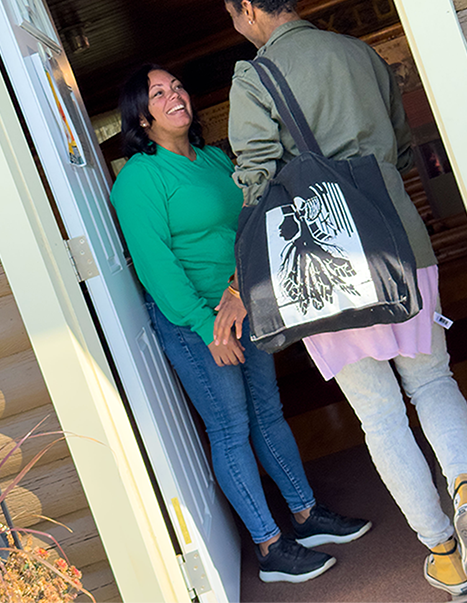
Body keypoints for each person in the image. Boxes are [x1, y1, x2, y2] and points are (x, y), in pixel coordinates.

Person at [214, 0, 467, 595]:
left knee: (379, 416)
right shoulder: (362, 56)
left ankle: (441, 548)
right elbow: (403, 151)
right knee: (433, 382)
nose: (237, 26)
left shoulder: (255, 79)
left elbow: (257, 187)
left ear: (251, 8)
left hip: (324, 270)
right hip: (400, 244)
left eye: (235, 14)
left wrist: (241, 278)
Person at [109, 63, 371, 584]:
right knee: (231, 429)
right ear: (141, 117)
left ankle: (305, 514)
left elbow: (250, 224)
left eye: (178, 86)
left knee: (269, 413)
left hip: (243, 306)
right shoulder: (141, 178)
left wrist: (238, 294)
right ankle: (269, 547)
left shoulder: (211, 159)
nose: (175, 96)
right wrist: (206, 326)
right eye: (158, 94)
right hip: (197, 325)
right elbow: (155, 264)